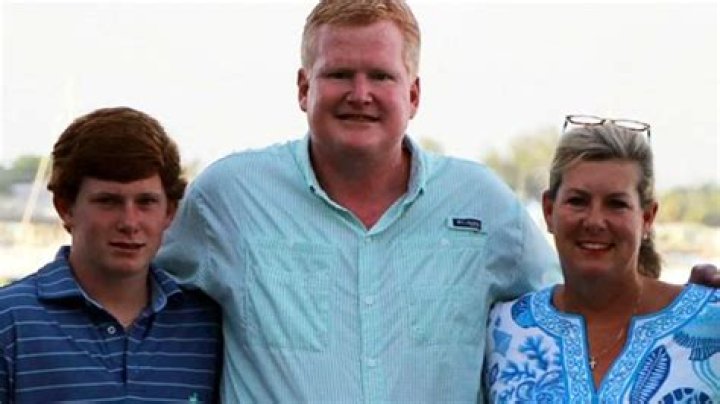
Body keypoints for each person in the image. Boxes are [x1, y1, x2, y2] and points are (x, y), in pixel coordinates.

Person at [157, 1, 718, 402]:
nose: (360, 93)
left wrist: (683, 306)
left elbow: (572, 301)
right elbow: (137, 286)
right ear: (304, 88)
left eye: (381, 76)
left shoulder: (484, 204)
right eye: (339, 74)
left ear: (414, 93)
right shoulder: (228, 197)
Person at [483, 117, 719, 402]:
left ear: (646, 218)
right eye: (577, 201)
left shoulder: (711, 325)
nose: (595, 221)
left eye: (617, 204)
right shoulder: (502, 328)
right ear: (549, 211)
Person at [0, 107, 223, 402]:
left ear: (169, 211)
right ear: (65, 208)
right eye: (108, 201)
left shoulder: (206, 325)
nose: (129, 222)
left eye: (146, 202)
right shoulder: (9, 322)